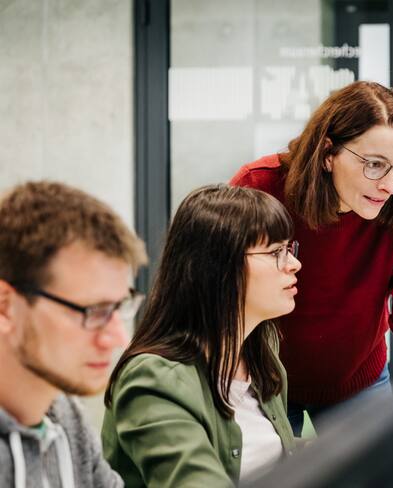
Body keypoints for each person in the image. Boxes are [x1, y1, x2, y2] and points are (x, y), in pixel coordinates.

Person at [231, 80, 393, 456]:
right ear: (328, 153)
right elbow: (222, 297)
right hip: (266, 379)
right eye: (375, 165)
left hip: (357, 378)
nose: (390, 185)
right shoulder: (261, 187)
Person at [102, 184, 301, 487]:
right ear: (219, 269)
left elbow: (269, 454)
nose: (294, 264)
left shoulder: (260, 350)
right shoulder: (153, 379)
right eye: (276, 252)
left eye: (289, 249)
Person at [0, 181, 147, 487]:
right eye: (93, 311)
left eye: (119, 307)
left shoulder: (64, 416)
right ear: (5, 307)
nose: (118, 338)